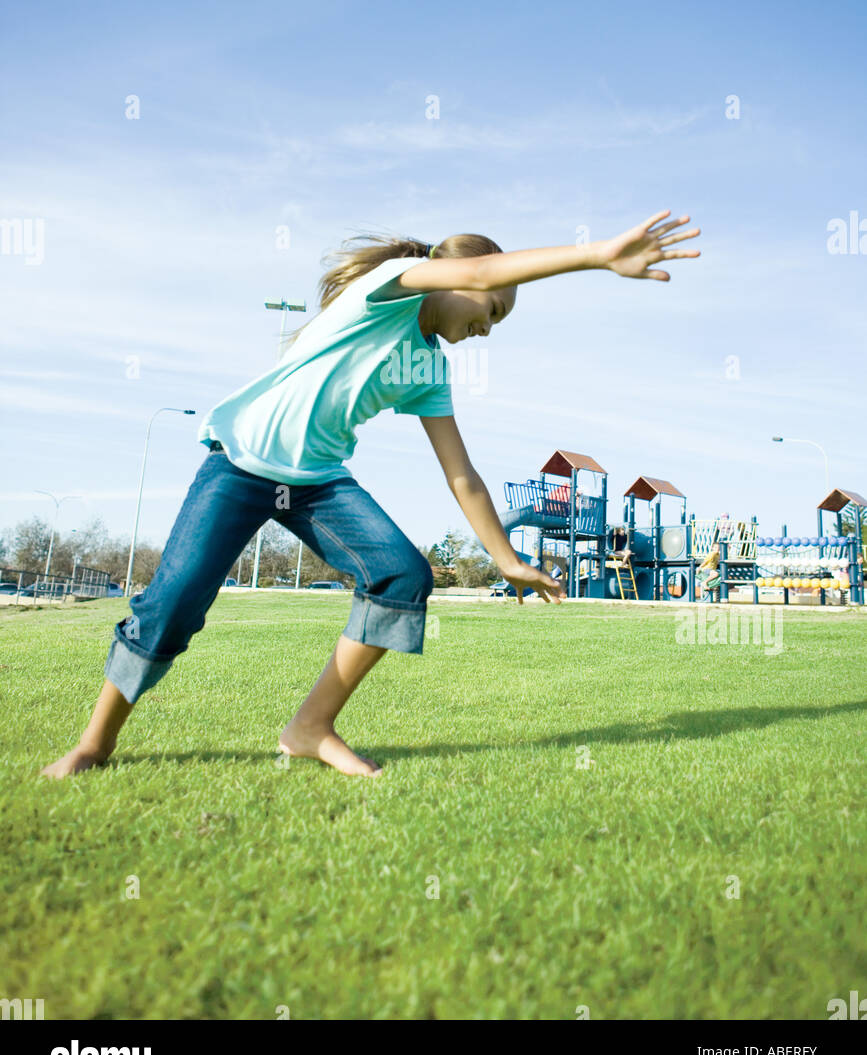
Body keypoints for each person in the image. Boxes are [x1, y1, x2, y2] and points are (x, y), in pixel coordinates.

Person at [41, 209, 700, 781]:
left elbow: (461, 473)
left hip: (318, 483)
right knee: (175, 600)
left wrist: (502, 555)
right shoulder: (384, 288)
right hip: (241, 466)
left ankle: (310, 728)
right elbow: (473, 276)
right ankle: (95, 745)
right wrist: (594, 256)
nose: (490, 328)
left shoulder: (430, 368)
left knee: (399, 574)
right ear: (469, 279)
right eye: (493, 308)